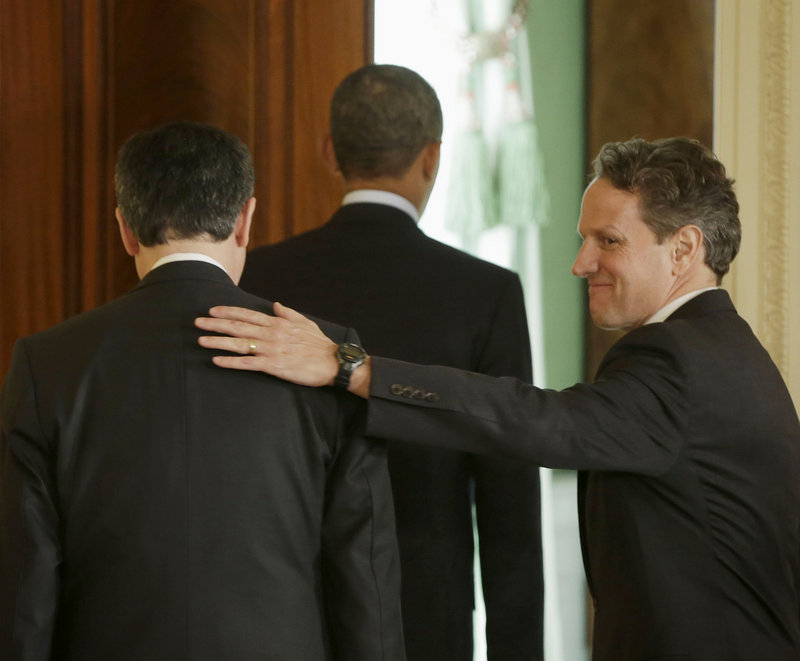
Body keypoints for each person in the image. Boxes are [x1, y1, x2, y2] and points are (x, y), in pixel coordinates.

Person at [195, 136, 800, 660]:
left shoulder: (679, 361)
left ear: (685, 248)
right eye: (584, 239)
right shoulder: (720, 350)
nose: (579, 263)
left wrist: (349, 366)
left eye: (608, 241)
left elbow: (541, 421)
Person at [0, 121, 405, 661]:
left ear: (124, 228)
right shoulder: (328, 358)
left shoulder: (45, 363)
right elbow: (365, 576)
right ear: (245, 221)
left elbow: (25, 590)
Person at [237, 63, 543, 661]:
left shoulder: (259, 280)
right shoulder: (485, 292)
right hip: (425, 621)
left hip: (284, 614)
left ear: (331, 153)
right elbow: (510, 511)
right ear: (432, 157)